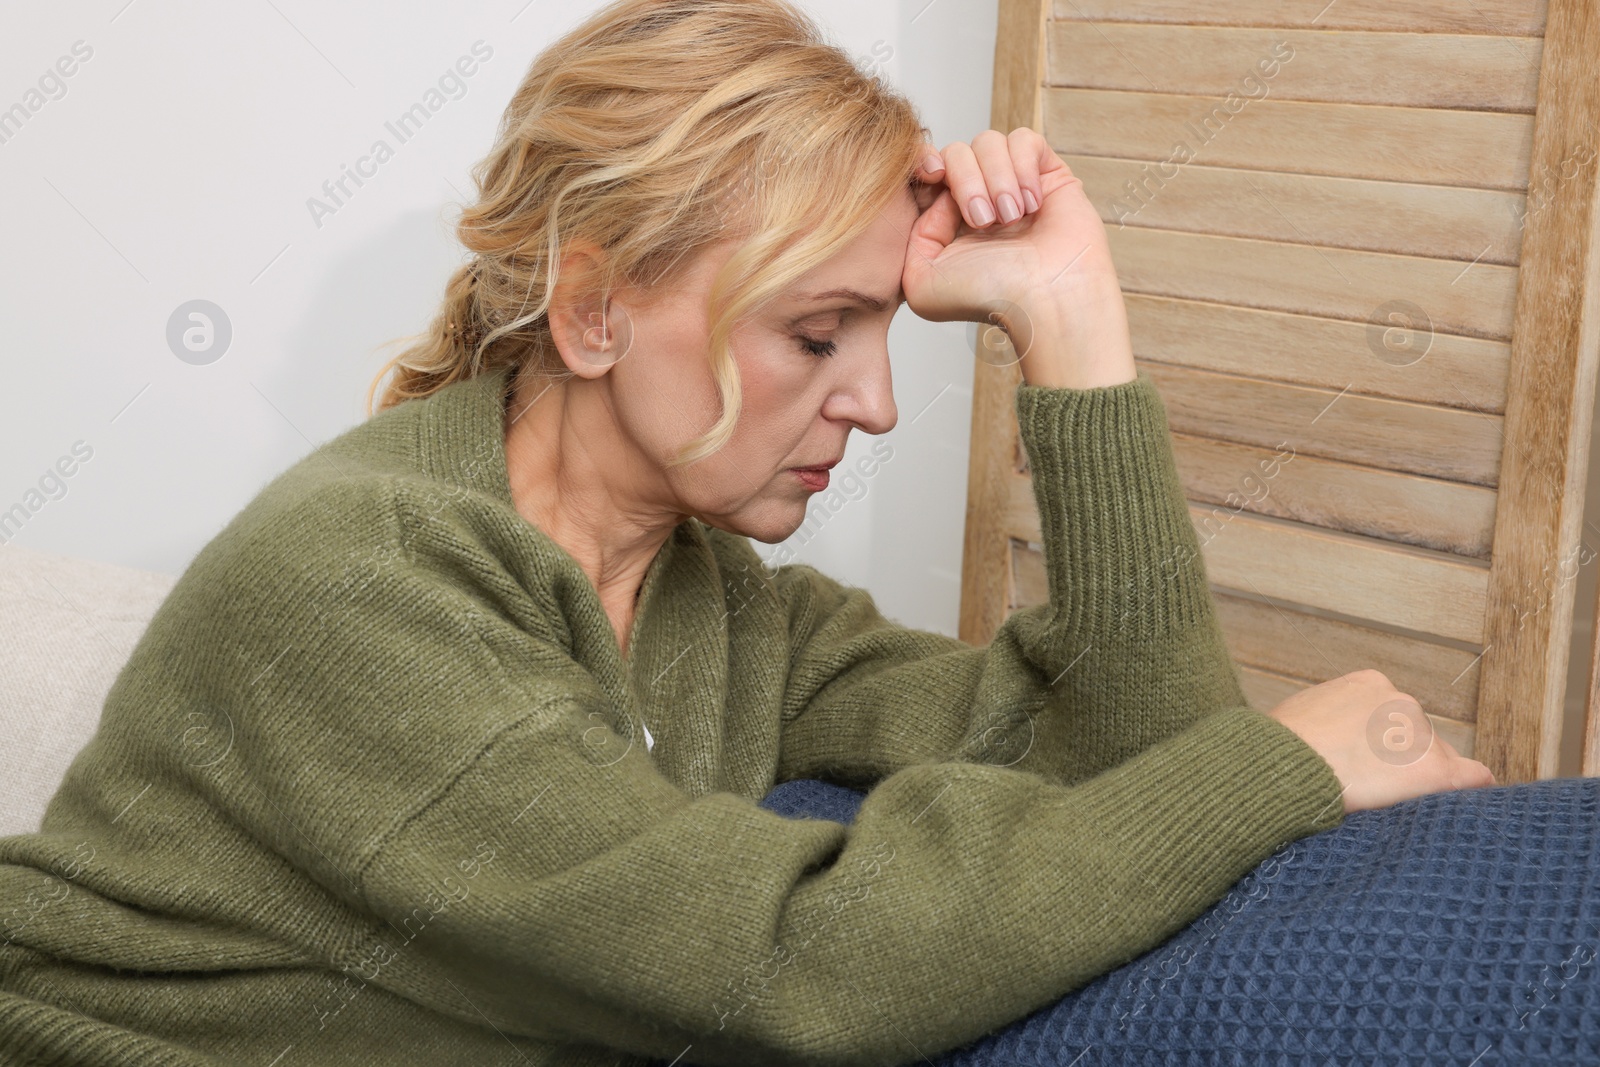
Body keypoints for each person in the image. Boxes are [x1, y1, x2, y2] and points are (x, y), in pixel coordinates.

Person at [0, 0, 1523, 1063]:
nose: (876, 405)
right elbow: (797, 971)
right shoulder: (359, 581)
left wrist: (1072, 324)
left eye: (886, 337)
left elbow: (1141, 748)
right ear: (595, 309)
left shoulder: (719, 603)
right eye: (817, 336)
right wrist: (1286, 762)